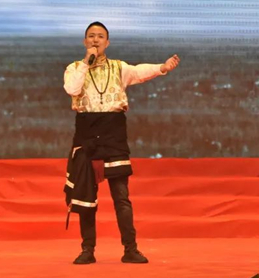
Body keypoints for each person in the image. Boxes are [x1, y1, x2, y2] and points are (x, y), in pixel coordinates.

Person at [63, 21, 180, 265]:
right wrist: (86, 62)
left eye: (100, 36)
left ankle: (130, 249)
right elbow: (72, 88)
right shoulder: (74, 68)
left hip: (113, 134)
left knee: (121, 197)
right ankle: (87, 250)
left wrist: (162, 67)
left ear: (107, 42)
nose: (95, 40)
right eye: (91, 36)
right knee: (86, 198)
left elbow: (138, 72)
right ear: (85, 41)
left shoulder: (119, 67)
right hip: (86, 136)